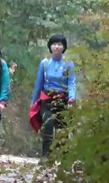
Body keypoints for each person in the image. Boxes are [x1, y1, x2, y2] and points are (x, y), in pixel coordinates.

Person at [30, 34, 77, 163]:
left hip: (62, 99)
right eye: (54, 44)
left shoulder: (69, 64)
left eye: (60, 44)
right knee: (48, 124)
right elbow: (39, 84)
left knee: (62, 129)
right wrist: (34, 102)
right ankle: (46, 156)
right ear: (50, 47)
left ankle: (63, 158)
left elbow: (72, 82)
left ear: (64, 47)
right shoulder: (44, 63)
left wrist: (72, 99)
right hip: (47, 99)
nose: (57, 46)